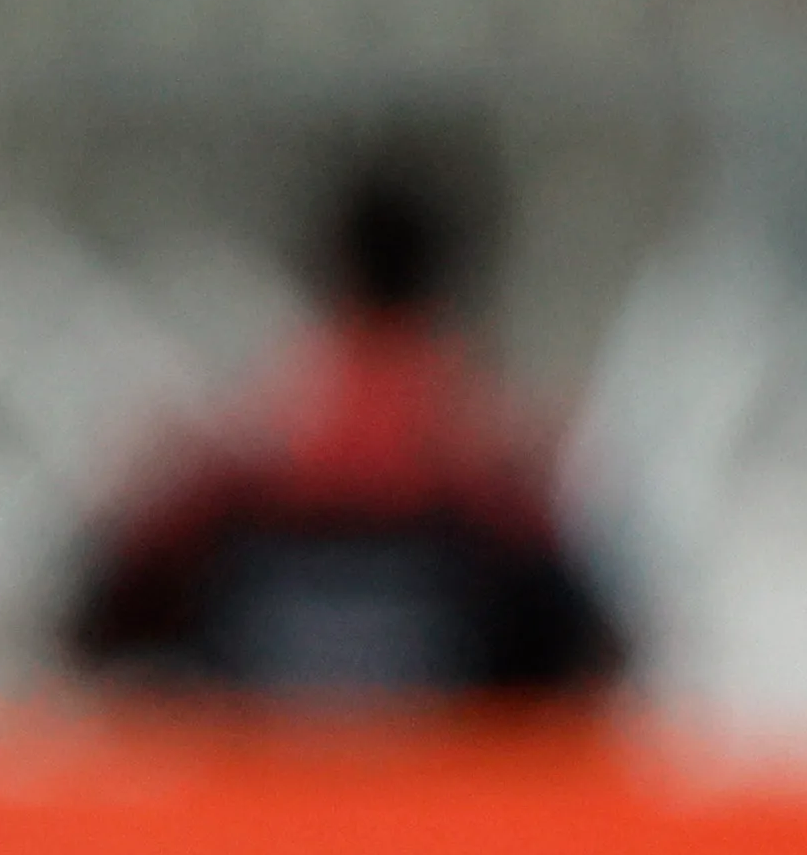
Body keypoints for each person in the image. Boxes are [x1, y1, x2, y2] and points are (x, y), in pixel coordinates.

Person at [65, 140, 625, 704]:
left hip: (262, 769)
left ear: (331, 268)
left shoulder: (240, 456)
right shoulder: (498, 477)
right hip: (449, 774)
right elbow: (603, 654)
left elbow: (91, 624)